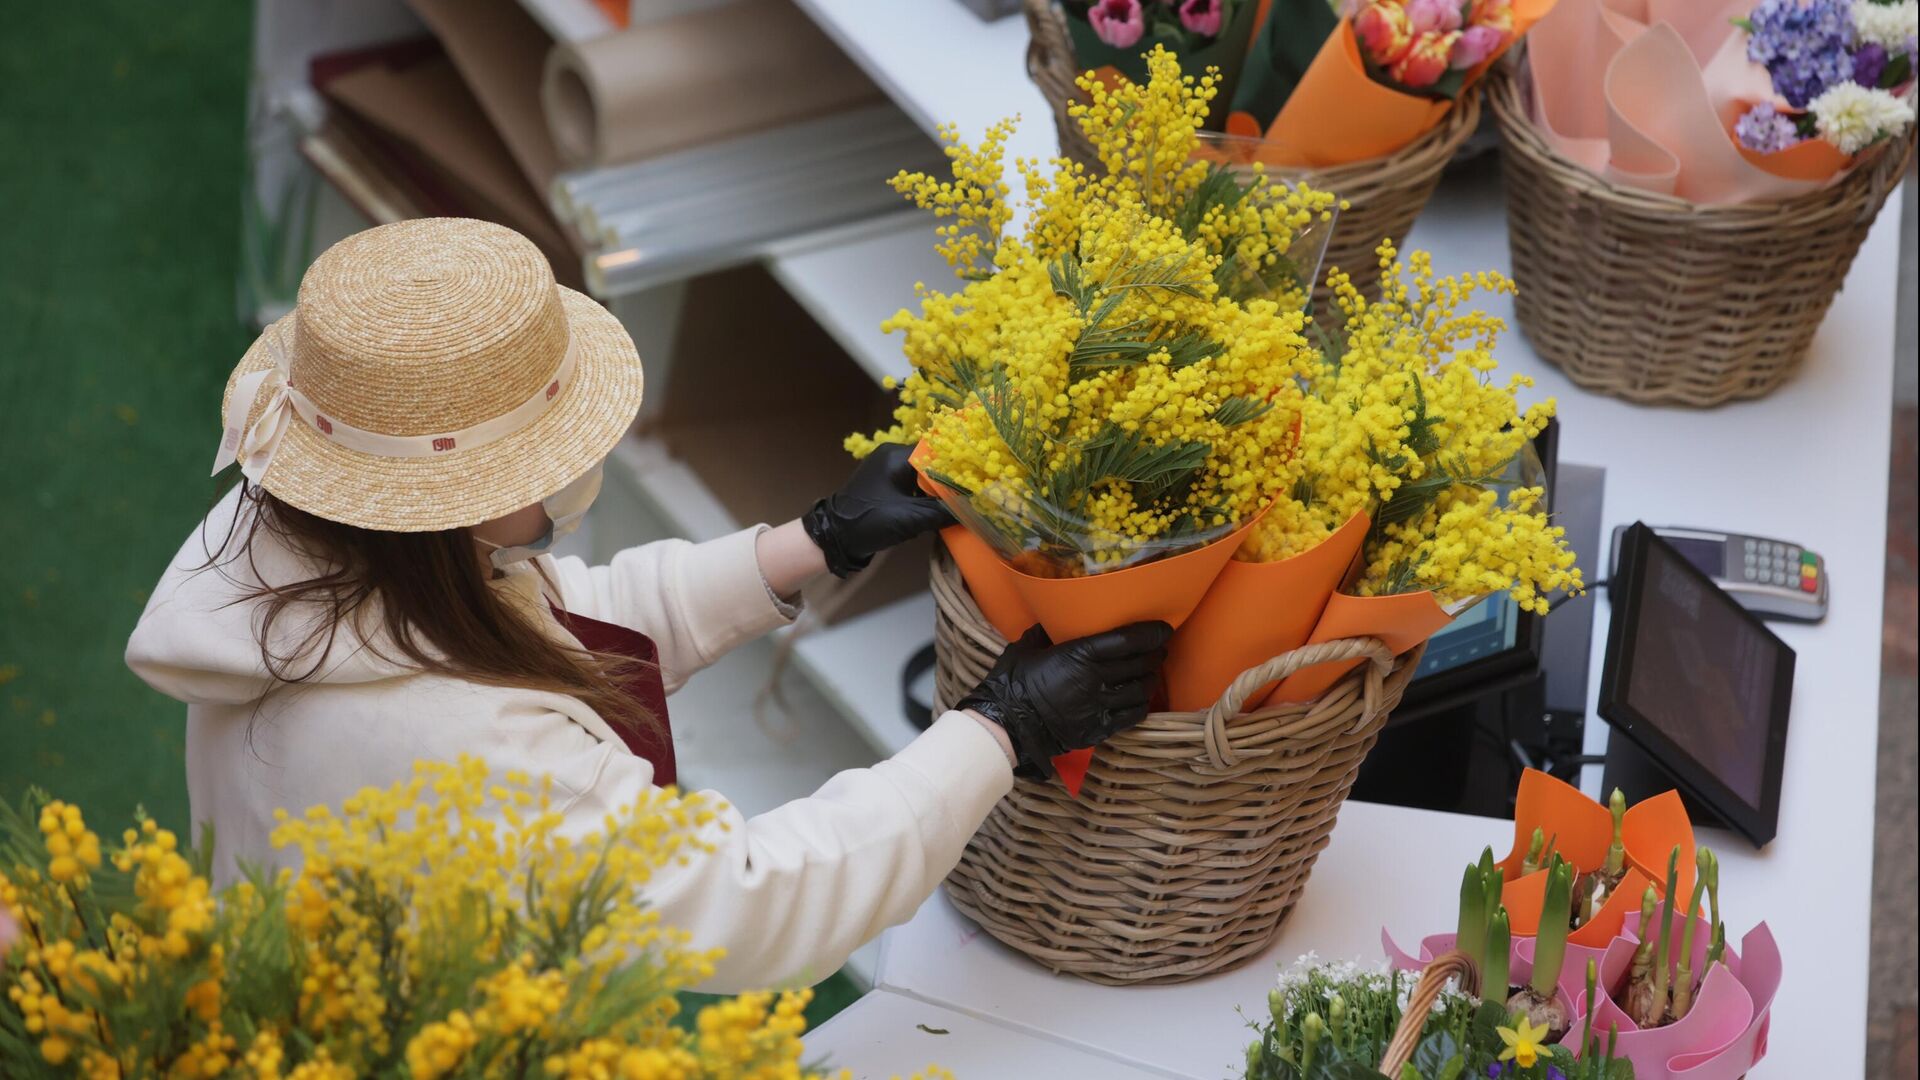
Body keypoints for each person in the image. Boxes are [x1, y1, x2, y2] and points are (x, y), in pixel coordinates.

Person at [126, 218, 1170, 991]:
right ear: (460, 504)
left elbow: (552, 627)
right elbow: (755, 895)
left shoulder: (294, 551)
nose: (568, 475)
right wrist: (998, 731)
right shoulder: (474, 760)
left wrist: (809, 543)